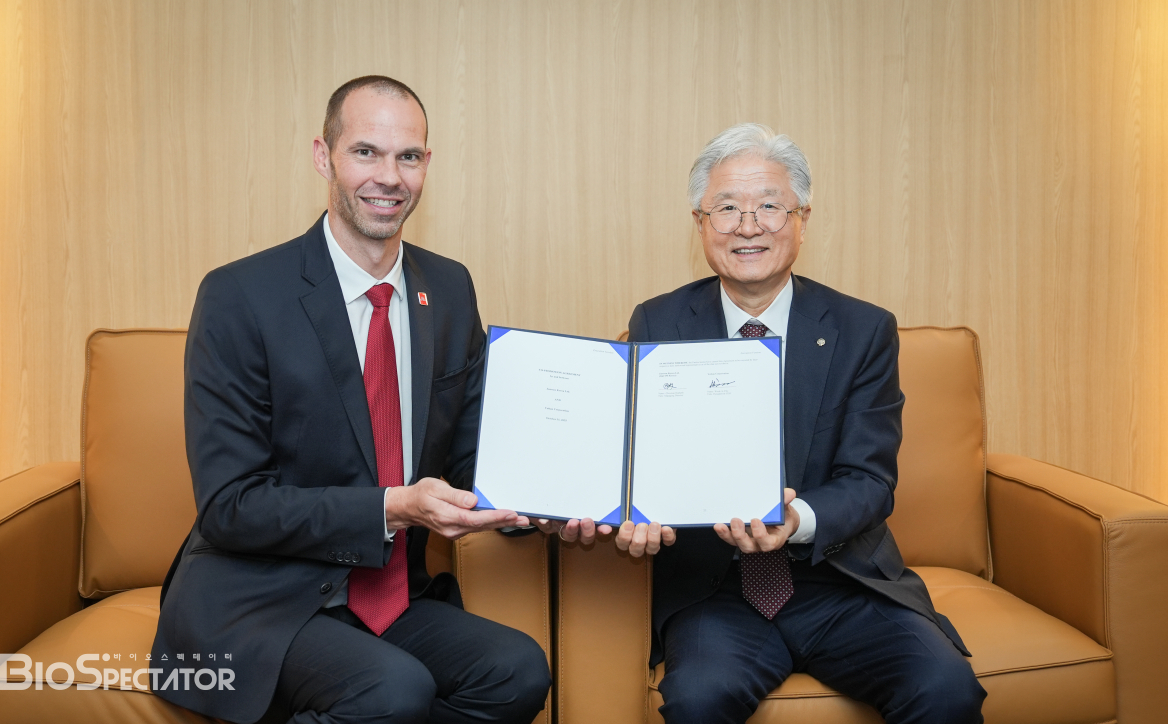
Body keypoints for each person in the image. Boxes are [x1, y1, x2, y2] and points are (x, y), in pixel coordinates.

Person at [548, 123, 986, 723]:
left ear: (802, 219)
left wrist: (794, 520)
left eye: (769, 207)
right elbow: (643, 461)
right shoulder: (659, 320)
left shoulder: (863, 330)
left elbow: (870, 480)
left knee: (945, 688)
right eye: (726, 208)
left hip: (840, 583)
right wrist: (630, 510)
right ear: (701, 224)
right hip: (715, 590)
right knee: (698, 700)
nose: (748, 226)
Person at [151, 76, 551, 724]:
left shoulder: (448, 290)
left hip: (391, 594)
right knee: (392, 693)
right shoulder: (240, 296)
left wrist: (556, 502)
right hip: (260, 598)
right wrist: (392, 507)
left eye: (408, 156)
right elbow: (230, 508)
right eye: (366, 152)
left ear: (427, 165)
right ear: (324, 156)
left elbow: (480, 452)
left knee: (517, 673)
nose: (388, 176)